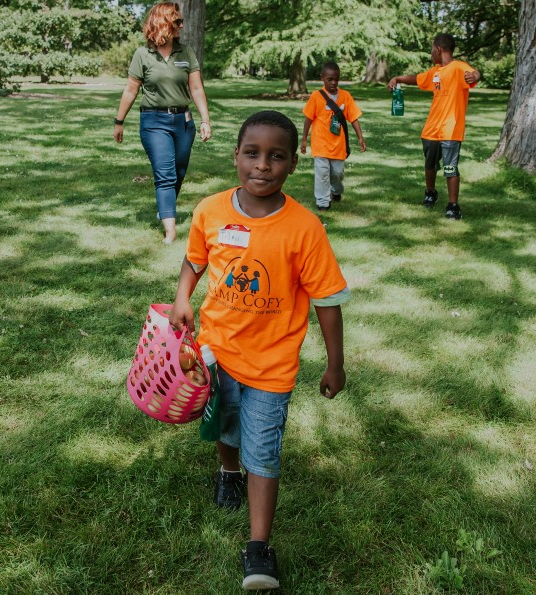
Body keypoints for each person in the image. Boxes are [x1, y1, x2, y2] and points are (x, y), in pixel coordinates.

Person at [169, 111, 350, 591]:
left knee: (264, 451)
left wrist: (336, 363)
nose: (263, 166)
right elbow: (195, 258)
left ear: (293, 164)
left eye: (276, 157)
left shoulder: (305, 228)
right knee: (225, 425)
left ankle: (258, 548)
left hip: (272, 365)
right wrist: (183, 297)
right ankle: (228, 471)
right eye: (252, 153)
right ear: (235, 156)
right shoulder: (210, 210)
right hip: (217, 354)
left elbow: (327, 300)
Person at [113, 2, 211, 244]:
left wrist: (205, 119)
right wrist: (119, 121)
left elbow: (196, 88)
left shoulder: (186, 52)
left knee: (178, 170)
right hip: (154, 121)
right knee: (165, 174)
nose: (181, 25)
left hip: (183, 122)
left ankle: (164, 207)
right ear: (163, 23)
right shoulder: (142, 55)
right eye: (177, 21)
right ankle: (170, 230)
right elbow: (130, 90)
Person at [387, 33, 481, 220]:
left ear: (438, 49)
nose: (431, 53)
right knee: (430, 164)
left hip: (451, 129)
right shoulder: (435, 72)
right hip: (431, 129)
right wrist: (397, 78)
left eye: (432, 49)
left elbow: (473, 72)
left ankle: (453, 206)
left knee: (450, 168)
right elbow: (417, 78)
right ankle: (430, 192)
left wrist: (475, 75)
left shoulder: (458, 67)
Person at [301, 61, 367, 211]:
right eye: (330, 79)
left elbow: (354, 118)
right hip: (321, 145)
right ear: (322, 78)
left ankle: (336, 191)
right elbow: (308, 119)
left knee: (337, 173)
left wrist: (360, 137)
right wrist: (304, 139)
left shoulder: (345, 96)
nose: (333, 83)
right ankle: (323, 201)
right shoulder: (316, 96)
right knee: (322, 173)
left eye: (336, 79)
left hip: (338, 146)